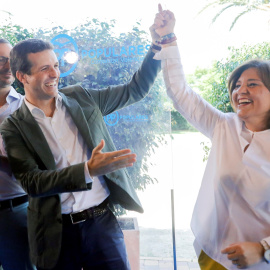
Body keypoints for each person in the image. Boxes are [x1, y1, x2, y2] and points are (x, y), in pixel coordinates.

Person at [0, 23, 161, 269]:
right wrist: (88, 170)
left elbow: (135, 89)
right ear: (23, 76)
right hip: (56, 235)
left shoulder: (82, 98)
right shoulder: (13, 126)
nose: (55, 74)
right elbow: (32, 182)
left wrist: (157, 45)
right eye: (45, 68)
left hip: (102, 224)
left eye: (55, 65)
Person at [152, 5, 270, 270]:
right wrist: (168, 38)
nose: (241, 90)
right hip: (213, 253)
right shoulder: (224, 125)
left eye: (253, 84)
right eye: (237, 85)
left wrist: (263, 250)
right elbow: (180, 92)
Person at [0, 38, 35, 270]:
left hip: (14, 214)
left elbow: (38, 165)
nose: (8, 66)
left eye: (11, 60)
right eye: (1, 60)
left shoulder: (27, 107)